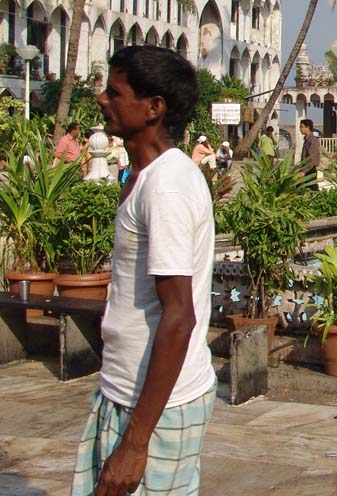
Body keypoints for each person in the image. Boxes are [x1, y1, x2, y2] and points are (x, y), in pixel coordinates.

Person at [71, 45, 215, 496]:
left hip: (157, 405)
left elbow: (179, 316)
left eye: (115, 93)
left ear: (154, 108)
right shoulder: (143, 177)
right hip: (125, 387)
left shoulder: (167, 188)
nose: (102, 100)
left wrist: (136, 442)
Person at [300, 118, 321, 189]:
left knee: (312, 188)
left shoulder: (312, 139)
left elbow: (312, 157)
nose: (300, 129)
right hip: (306, 167)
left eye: (302, 127)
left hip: (310, 168)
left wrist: (304, 171)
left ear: (307, 127)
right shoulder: (307, 139)